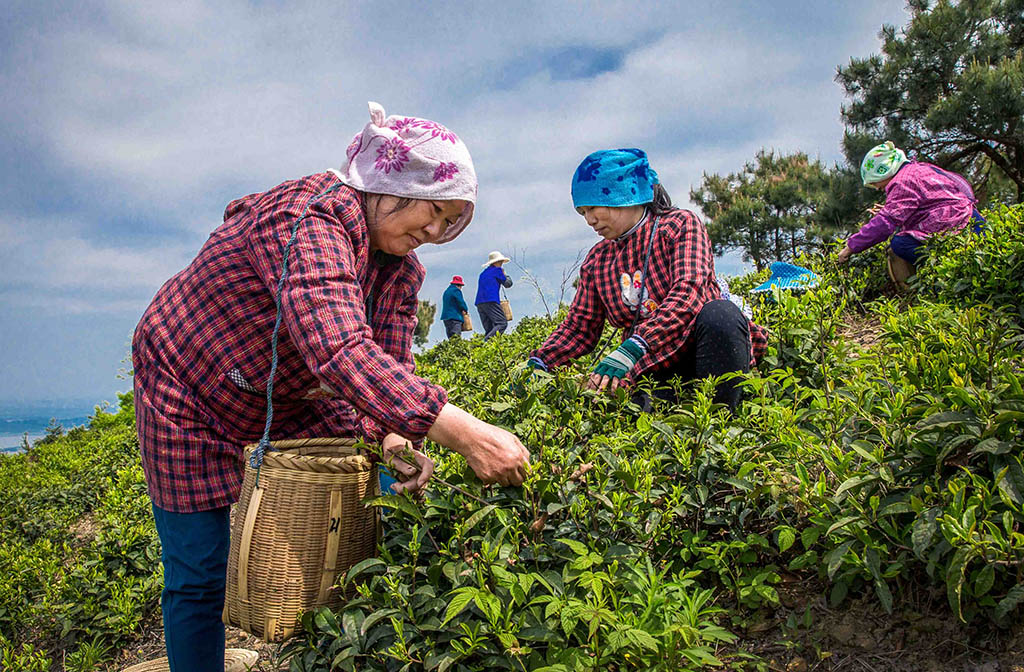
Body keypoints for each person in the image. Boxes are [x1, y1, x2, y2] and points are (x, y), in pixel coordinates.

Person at [132, 102, 530, 672]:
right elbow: (339, 350)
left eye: (449, 222)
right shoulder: (308, 217)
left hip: (290, 390)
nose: (434, 232)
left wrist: (394, 437)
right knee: (199, 567)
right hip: (186, 383)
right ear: (391, 184)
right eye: (433, 211)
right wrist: (466, 434)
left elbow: (388, 364)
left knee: (370, 489)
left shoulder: (402, 271)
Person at [526, 148, 768, 412]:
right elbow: (579, 327)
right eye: (582, 212)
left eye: (593, 207)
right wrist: (541, 361)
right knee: (619, 409)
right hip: (653, 364)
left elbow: (690, 292)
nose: (589, 220)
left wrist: (636, 345)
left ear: (623, 196)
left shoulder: (678, 226)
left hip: (698, 347)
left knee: (720, 315)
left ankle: (721, 415)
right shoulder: (597, 260)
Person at [836, 141, 984, 289]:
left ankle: (944, 277)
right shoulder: (919, 168)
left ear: (885, 170)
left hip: (958, 223)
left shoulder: (902, 182)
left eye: (874, 182)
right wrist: (890, 211)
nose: (876, 188)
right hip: (973, 219)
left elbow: (885, 223)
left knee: (900, 244)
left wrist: (851, 247)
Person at [475, 250, 513, 340]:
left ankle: (485, 345)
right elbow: (508, 284)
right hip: (491, 300)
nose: (501, 264)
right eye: (500, 261)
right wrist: (505, 275)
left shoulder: (483, 273)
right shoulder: (497, 270)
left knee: (490, 329)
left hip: (480, 303)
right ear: (497, 262)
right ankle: (485, 343)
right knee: (502, 323)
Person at [440, 275, 470, 339]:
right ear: (459, 285)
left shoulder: (446, 291)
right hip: (455, 317)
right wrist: (465, 309)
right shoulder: (456, 291)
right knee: (456, 338)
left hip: (446, 318)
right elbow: (461, 302)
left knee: (450, 337)